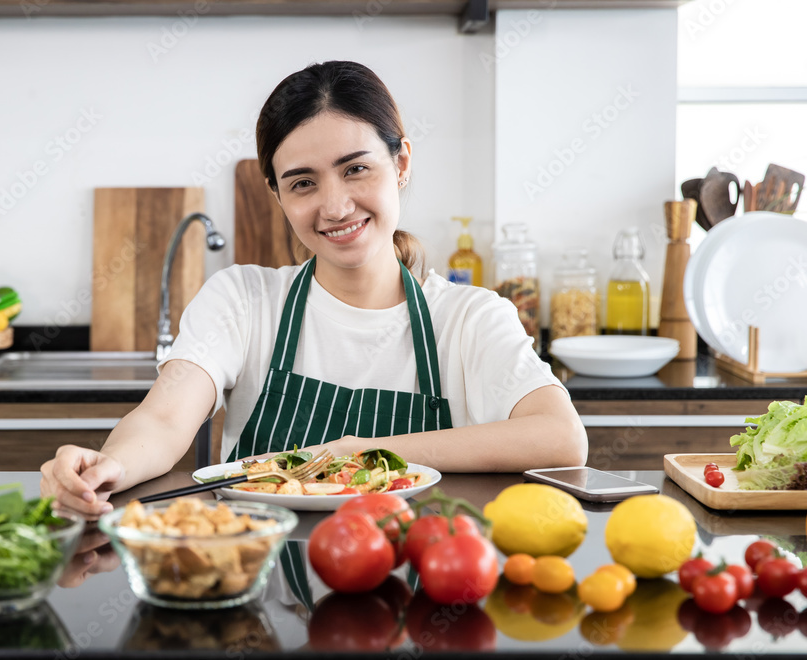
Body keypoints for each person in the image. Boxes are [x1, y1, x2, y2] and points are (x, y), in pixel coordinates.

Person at [41, 60, 587, 518]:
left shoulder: (471, 318)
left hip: (416, 585)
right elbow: (163, 420)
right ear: (277, 195)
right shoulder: (243, 300)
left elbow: (561, 438)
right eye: (303, 182)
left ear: (400, 164)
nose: (334, 206)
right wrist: (108, 464)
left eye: (355, 169)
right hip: (260, 597)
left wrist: (364, 453)